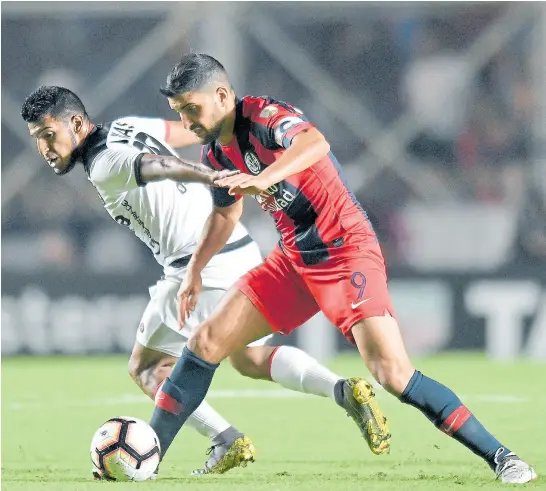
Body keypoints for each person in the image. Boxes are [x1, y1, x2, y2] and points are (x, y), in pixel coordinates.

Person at [148, 54, 537, 485]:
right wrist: (195, 270)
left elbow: (315, 143)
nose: (187, 119)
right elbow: (224, 215)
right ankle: (148, 459)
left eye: (191, 108)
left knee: (393, 373)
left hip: (344, 252)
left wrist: (264, 178)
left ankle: (503, 456)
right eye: (179, 112)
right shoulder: (216, 153)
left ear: (221, 94)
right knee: (207, 341)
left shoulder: (264, 116)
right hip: (293, 261)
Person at [21, 85, 390, 477]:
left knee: (146, 367)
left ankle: (225, 438)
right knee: (246, 358)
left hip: (198, 264)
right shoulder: (127, 126)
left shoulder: (103, 163)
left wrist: (212, 174)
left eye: (49, 135)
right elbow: (187, 132)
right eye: (37, 139)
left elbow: (159, 165)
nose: (45, 148)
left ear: (76, 123)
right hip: (237, 245)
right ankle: (344, 390)